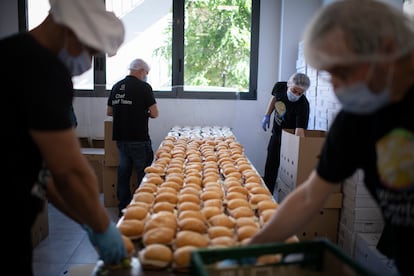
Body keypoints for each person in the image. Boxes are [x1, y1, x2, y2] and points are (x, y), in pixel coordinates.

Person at [249, 1, 414, 275]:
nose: (337, 88)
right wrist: (254, 246)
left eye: (344, 72)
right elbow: (310, 196)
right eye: (330, 76)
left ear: (386, 48)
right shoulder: (356, 121)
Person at [0, 0, 127, 274]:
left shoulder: (9, 52)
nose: (88, 63)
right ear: (71, 31)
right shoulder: (43, 69)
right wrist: (104, 226)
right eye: (90, 51)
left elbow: (43, 175)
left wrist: (86, 220)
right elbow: (69, 171)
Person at [107, 58, 159, 216]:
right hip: (139, 138)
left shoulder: (116, 86)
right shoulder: (144, 88)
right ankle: (142, 208)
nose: (146, 76)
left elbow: (109, 112)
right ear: (141, 71)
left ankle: (123, 207)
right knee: (144, 174)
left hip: (121, 138)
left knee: (124, 173)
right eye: (146, 73)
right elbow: (155, 114)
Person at [261, 72, 311, 196]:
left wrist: (298, 151)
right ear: (289, 84)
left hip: (290, 140)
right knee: (270, 167)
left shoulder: (303, 105)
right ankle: (267, 196)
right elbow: (274, 98)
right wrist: (267, 115)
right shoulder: (279, 87)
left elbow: (299, 131)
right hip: (276, 134)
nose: (296, 95)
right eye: (294, 90)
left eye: (300, 93)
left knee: (288, 172)